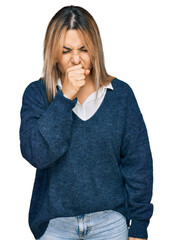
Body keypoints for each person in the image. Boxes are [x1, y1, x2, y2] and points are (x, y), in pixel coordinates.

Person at [19, 5, 153, 240]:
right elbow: (37, 155)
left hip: (110, 222)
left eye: (83, 49)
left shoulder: (120, 95)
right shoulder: (37, 94)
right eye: (66, 50)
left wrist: (140, 225)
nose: (76, 59)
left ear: (95, 51)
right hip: (55, 224)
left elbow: (138, 163)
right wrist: (65, 98)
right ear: (54, 54)